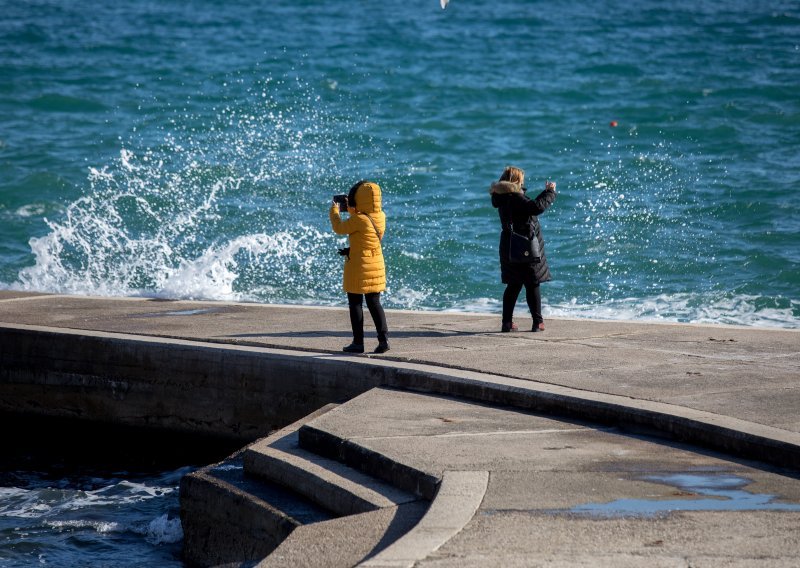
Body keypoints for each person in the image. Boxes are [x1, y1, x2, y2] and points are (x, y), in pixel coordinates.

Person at [490, 166, 556, 332]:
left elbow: (530, 205)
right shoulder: (515, 197)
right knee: (532, 283)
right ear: (517, 181)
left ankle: (507, 322)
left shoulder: (502, 198)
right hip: (526, 246)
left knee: (513, 285)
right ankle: (537, 322)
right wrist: (550, 193)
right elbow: (536, 208)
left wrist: (544, 192)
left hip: (509, 247)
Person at [329, 180, 389, 354]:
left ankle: (358, 343)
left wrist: (334, 210)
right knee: (374, 302)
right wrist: (353, 209)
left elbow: (339, 228)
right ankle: (383, 340)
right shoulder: (380, 216)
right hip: (376, 263)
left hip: (359, 265)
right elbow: (364, 234)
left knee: (355, 303)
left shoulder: (359, 219)